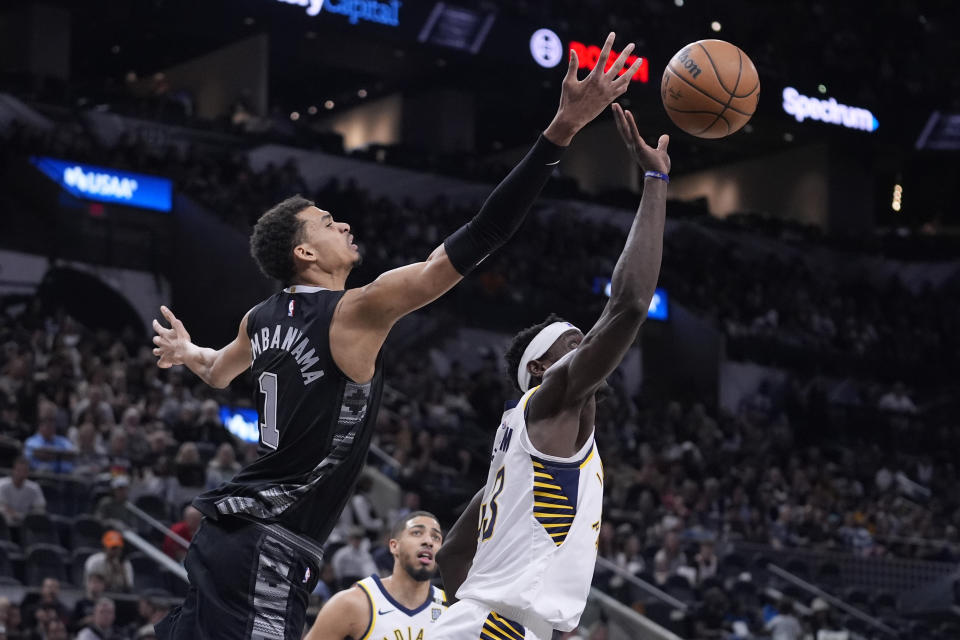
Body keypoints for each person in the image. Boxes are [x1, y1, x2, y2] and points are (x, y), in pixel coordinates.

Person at [152, 31, 632, 640]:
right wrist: (558, 132)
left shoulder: (260, 317)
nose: (343, 222)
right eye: (327, 223)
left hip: (228, 534)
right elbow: (476, 239)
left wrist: (185, 351)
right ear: (305, 252)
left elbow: (218, 369)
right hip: (271, 545)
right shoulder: (354, 311)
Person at [435, 92, 671, 638]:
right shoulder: (550, 400)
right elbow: (630, 303)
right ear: (541, 371)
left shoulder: (512, 459)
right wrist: (655, 183)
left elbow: (450, 556)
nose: (588, 344)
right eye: (573, 343)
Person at [305, 513, 446, 640]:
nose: (429, 541)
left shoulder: (450, 609)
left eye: (436, 537)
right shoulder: (352, 603)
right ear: (394, 546)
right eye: (417, 533)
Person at [23, 403, 76, 474]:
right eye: (45, 420)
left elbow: (72, 454)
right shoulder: (31, 441)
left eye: (52, 420)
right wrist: (60, 455)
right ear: (40, 422)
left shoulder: (63, 441)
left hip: (63, 479)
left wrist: (48, 455)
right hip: (39, 478)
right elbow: (32, 456)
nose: (49, 424)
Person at [0, 456, 46, 525]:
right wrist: (12, 514)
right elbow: (2, 506)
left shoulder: (34, 488)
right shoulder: (2, 484)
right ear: (13, 470)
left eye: (24, 471)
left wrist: (26, 517)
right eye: (18, 470)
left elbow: (40, 508)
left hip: (26, 523)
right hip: (4, 522)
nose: (21, 474)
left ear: (28, 472)